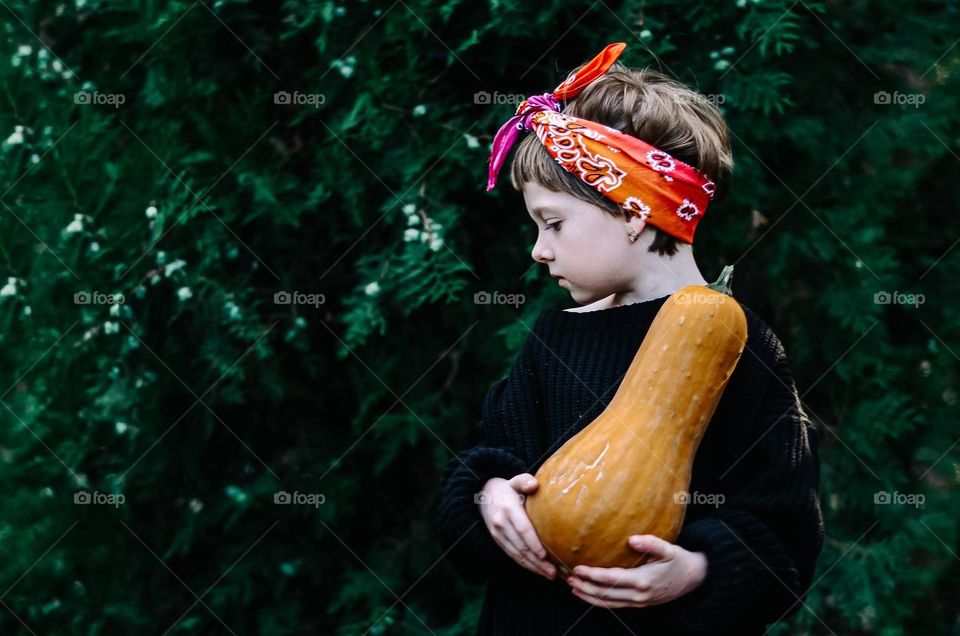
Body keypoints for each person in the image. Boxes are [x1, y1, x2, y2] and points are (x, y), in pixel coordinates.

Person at [436, 42, 824, 635]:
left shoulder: (744, 348)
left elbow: (787, 531)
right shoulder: (555, 338)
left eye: (553, 223)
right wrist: (489, 496)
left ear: (634, 211)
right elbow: (486, 456)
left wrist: (698, 569)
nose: (539, 251)